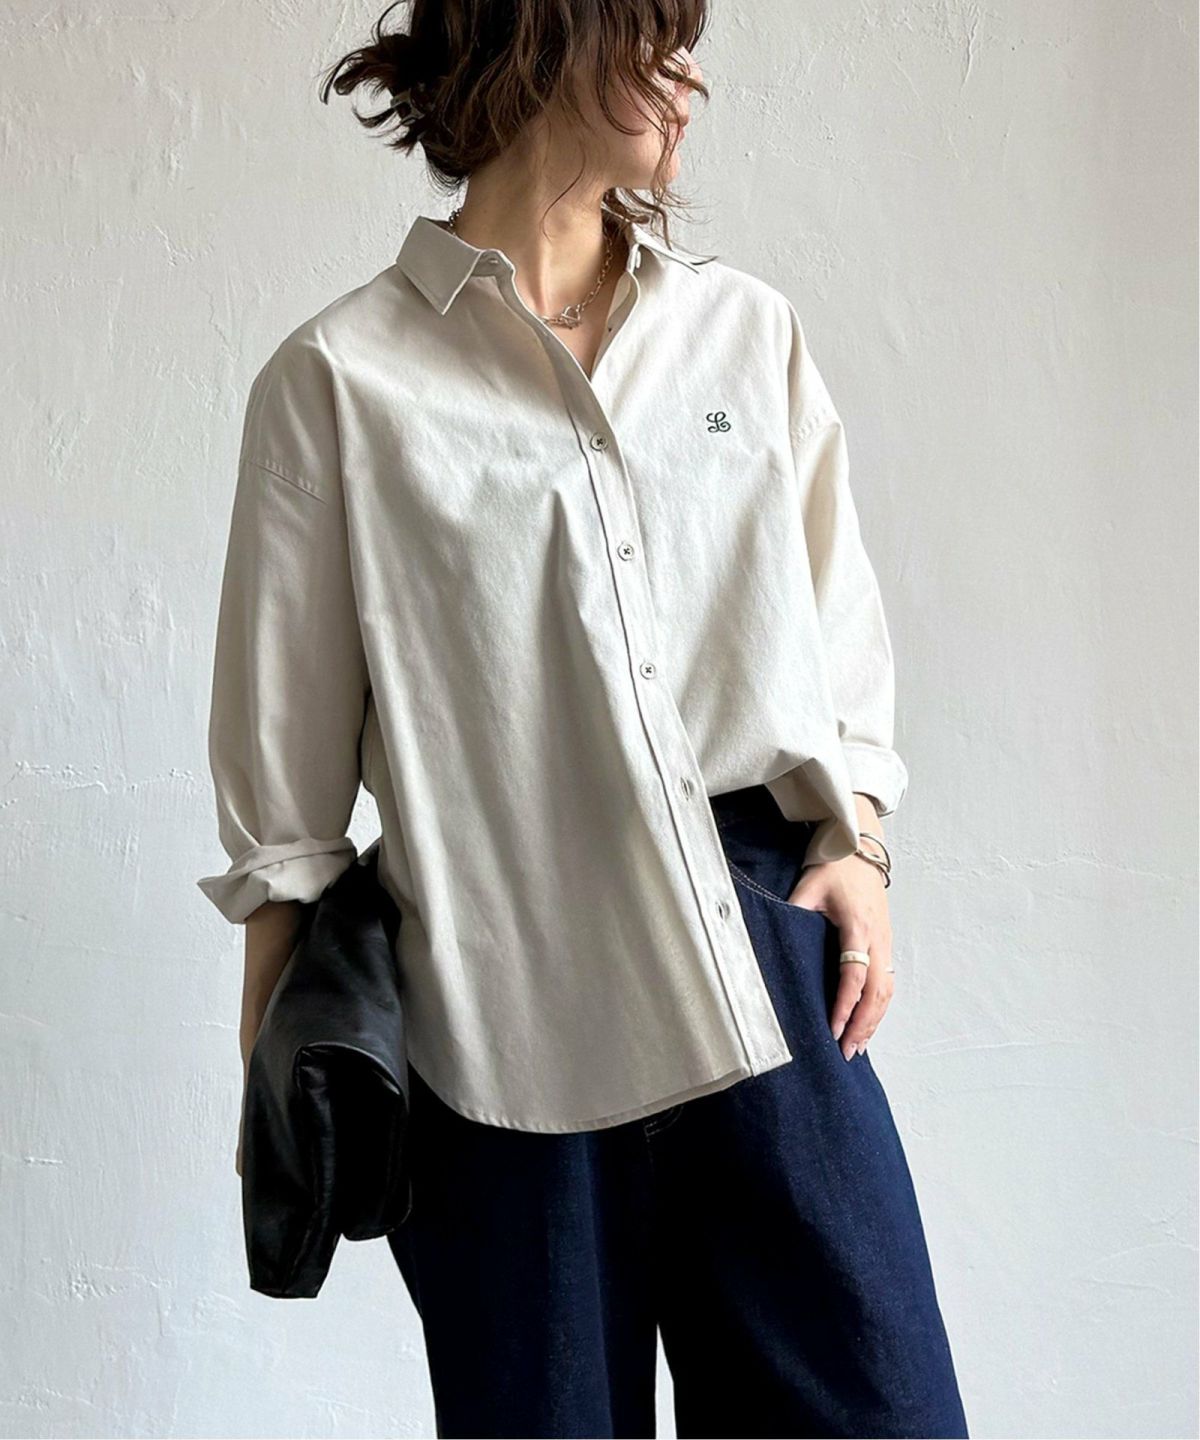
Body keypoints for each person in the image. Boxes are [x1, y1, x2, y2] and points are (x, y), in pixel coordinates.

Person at [196, 2, 970, 1435]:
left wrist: (857, 847)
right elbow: (287, 803)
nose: (690, 82)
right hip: (496, 1017)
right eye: (657, 44)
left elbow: (833, 627)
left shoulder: (745, 334)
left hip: (757, 954)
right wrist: (270, 1079)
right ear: (551, 49)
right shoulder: (340, 382)